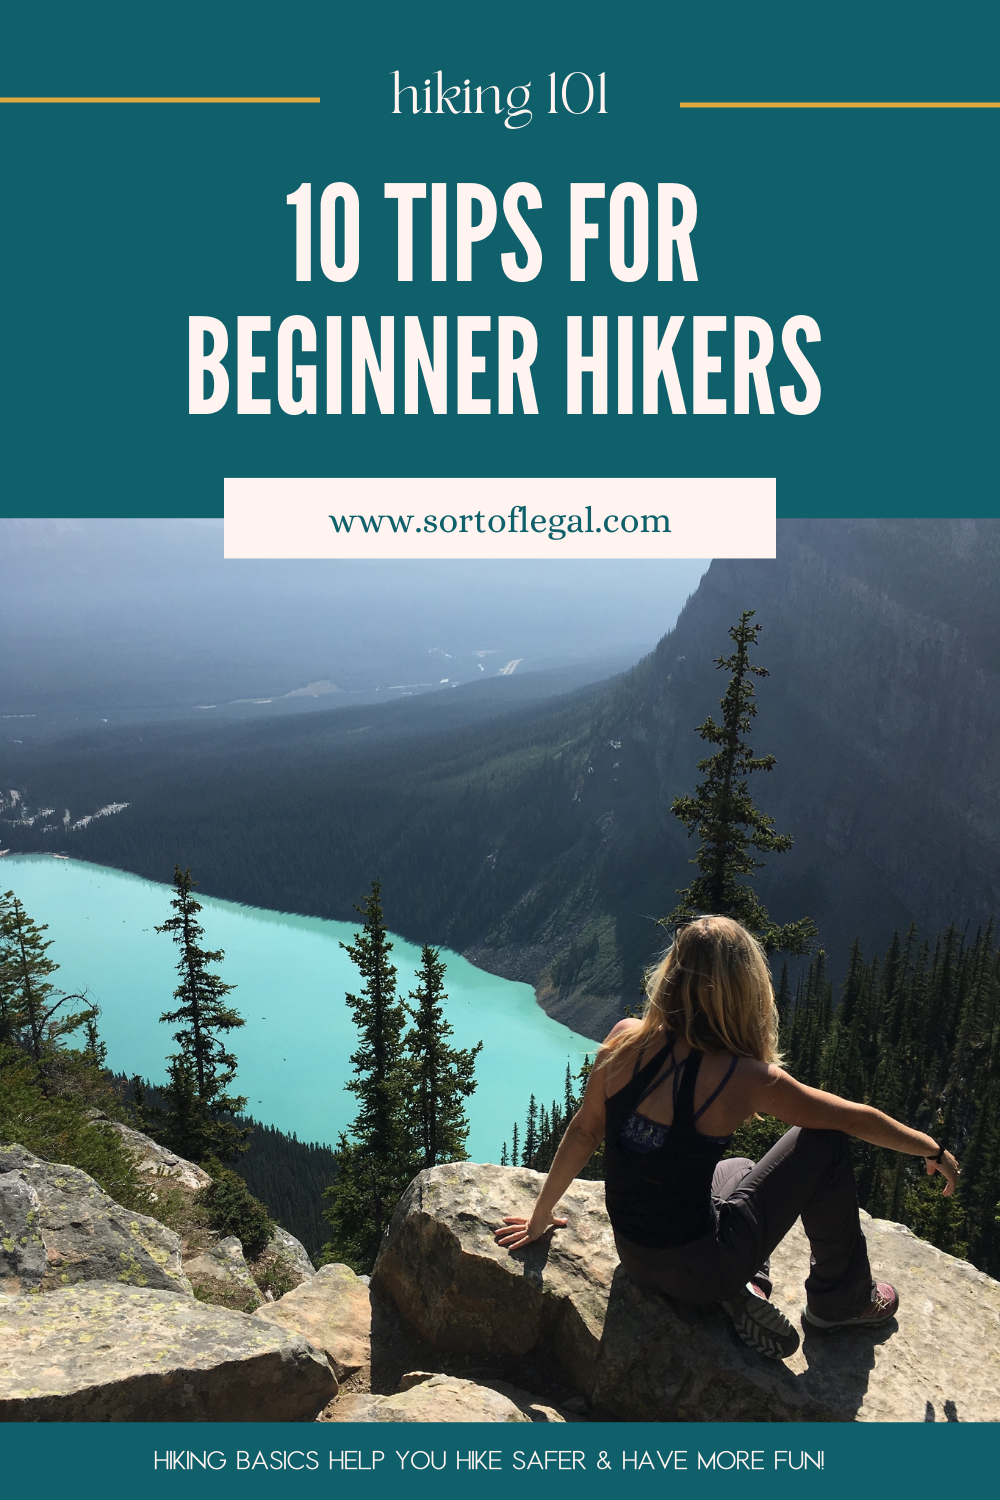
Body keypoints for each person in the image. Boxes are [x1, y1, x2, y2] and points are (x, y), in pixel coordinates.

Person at [494, 915, 960, 1361]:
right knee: (826, 1143)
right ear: (743, 988)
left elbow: (584, 1130)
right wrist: (931, 1148)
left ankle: (749, 1286)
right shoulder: (743, 1077)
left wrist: (541, 1217)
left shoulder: (624, 1039)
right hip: (700, 1273)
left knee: (735, 1169)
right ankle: (839, 1301)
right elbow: (855, 1119)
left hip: (635, 1259)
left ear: (671, 976)